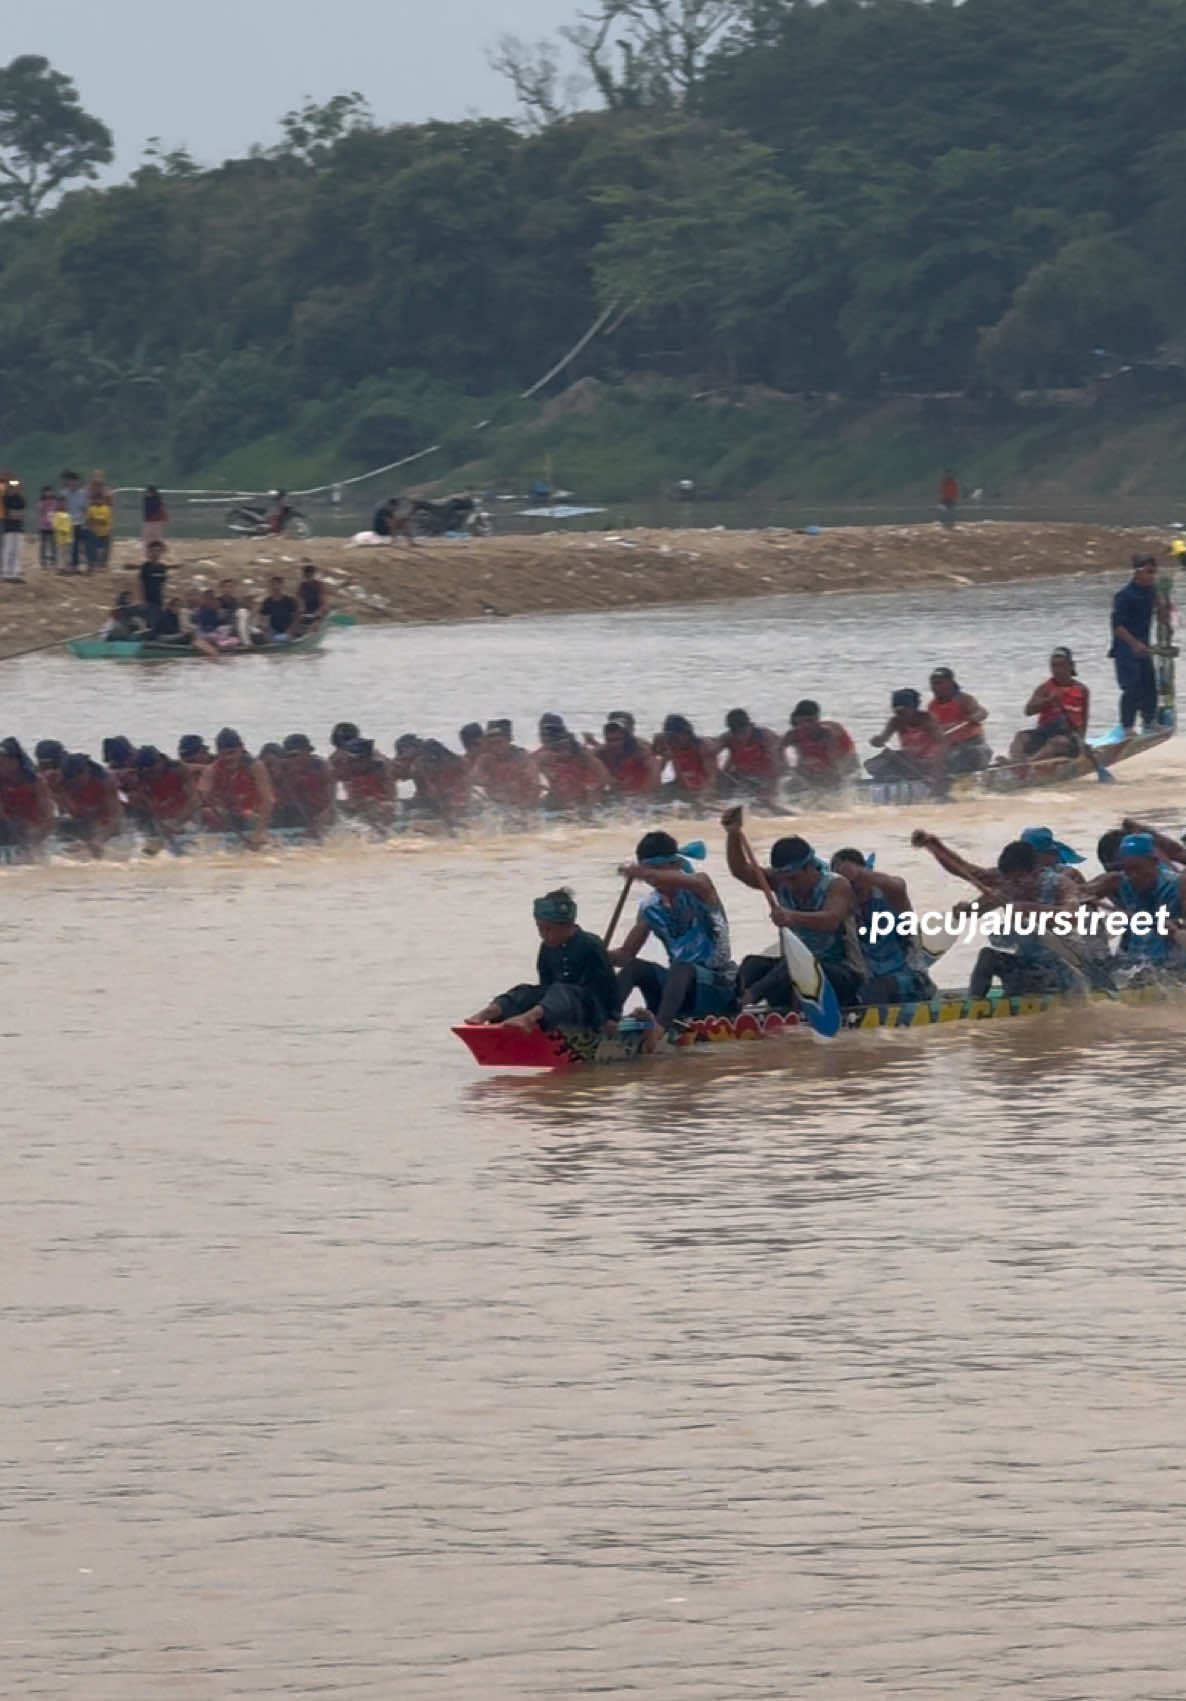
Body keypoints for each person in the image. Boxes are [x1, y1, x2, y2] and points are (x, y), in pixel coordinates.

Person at [610, 831, 737, 1044]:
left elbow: (662, 878)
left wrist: (643, 872)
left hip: (717, 986)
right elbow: (625, 955)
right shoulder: (650, 907)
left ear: (676, 864)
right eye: (651, 873)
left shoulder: (701, 886)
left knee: (681, 967)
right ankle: (608, 1021)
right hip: (679, 989)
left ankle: (658, 1031)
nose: (655, 880)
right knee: (635, 967)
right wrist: (594, 951)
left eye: (659, 871)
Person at [723, 826, 863, 1010]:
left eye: (793, 879)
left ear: (810, 867)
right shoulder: (780, 881)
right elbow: (740, 870)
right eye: (783, 880)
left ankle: (753, 998)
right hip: (793, 971)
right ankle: (733, 1010)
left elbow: (831, 920)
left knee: (800, 967)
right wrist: (733, 833)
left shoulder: (836, 885)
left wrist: (792, 917)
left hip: (841, 974)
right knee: (752, 964)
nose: (788, 885)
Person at [466, 889, 622, 1035]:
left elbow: (609, 986)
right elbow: (545, 984)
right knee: (524, 991)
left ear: (567, 926)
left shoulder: (590, 944)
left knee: (561, 991)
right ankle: (489, 1013)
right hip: (557, 1006)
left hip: (589, 1009)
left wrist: (611, 1019)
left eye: (548, 930)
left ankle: (529, 1018)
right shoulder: (546, 947)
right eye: (539, 929)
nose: (543, 935)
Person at [963, 840, 1084, 997]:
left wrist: (1030, 908)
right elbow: (972, 912)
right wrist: (963, 910)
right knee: (987, 956)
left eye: (1018, 880)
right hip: (1029, 967)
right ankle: (974, 1007)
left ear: (1035, 872)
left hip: (1060, 971)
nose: (1013, 885)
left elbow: (1071, 917)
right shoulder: (1010, 888)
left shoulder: (1061, 885)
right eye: (1009, 880)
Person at [829, 847, 937, 1005]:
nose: (853, 888)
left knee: (878, 988)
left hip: (910, 980)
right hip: (866, 983)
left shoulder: (890, 894)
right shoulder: (840, 909)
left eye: (856, 881)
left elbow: (898, 885)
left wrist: (860, 874)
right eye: (846, 885)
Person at [1084, 832, 1186, 979]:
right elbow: (1080, 893)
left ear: (1155, 862)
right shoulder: (1119, 881)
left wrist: (1177, 928)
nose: (1133, 876)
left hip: (1173, 965)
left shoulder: (1177, 885)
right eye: (1127, 869)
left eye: (1138, 868)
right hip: (1133, 963)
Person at [1109, 555, 1165, 735]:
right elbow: (1117, 626)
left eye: (1154, 572)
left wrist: (1164, 604)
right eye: (1149, 572)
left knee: (1149, 684)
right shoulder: (1124, 596)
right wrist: (1133, 644)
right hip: (1125, 648)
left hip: (1144, 647)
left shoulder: (1151, 591)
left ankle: (1149, 722)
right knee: (1131, 687)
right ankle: (1127, 727)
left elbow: (1161, 613)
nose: (1152, 576)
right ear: (1138, 572)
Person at [198, 728, 276, 849]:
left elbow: (269, 800)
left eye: (232, 753)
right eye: (224, 754)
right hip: (230, 815)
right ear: (218, 753)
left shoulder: (255, 766)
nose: (229, 758)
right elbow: (201, 793)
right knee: (207, 812)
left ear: (241, 749)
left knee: (248, 814)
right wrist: (202, 793)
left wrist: (259, 832)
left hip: (254, 815)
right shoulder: (212, 770)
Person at [1009, 647, 1089, 761]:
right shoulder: (1044, 688)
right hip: (1044, 733)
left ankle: (1029, 763)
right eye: (1054, 666)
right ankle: (1015, 763)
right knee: (1021, 737)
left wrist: (1081, 743)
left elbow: (1084, 720)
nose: (1057, 670)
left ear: (1071, 666)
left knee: (1057, 742)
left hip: (1068, 738)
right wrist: (1047, 701)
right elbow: (1028, 711)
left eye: (1061, 665)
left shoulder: (1082, 690)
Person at [866, 689, 946, 787]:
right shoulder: (895, 721)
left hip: (927, 763)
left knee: (895, 756)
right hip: (908, 762)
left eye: (903, 711)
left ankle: (899, 780)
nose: (900, 715)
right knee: (873, 763)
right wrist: (876, 741)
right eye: (897, 712)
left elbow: (942, 744)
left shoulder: (927, 720)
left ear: (914, 707)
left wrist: (936, 774)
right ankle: (891, 780)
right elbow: (882, 739)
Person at [535, 718, 610, 814]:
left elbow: (603, 778)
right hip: (556, 799)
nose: (561, 752)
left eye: (563, 746)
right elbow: (528, 777)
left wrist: (590, 803)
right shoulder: (541, 756)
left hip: (583, 798)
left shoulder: (583, 755)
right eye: (556, 749)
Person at [56, 753, 125, 856]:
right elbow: (67, 812)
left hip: (107, 821)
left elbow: (115, 817)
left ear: (86, 772)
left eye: (76, 781)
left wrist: (99, 840)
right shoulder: (59, 782)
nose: (75, 786)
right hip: (82, 819)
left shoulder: (106, 781)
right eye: (70, 783)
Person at [781, 700, 859, 791]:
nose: (806, 725)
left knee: (835, 780)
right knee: (790, 784)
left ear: (817, 719)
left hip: (845, 760)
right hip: (817, 765)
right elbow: (781, 756)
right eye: (802, 722)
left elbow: (833, 764)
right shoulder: (792, 735)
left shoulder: (828, 732)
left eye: (809, 721)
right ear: (796, 720)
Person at [926, 667, 991, 773]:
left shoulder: (964, 700)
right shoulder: (932, 706)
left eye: (939, 683)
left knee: (961, 756)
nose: (934, 687)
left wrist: (974, 717)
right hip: (949, 749)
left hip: (973, 746)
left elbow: (982, 712)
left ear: (950, 683)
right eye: (933, 684)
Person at [470, 720, 540, 818]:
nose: (495, 747)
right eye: (491, 743)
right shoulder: (485, 759)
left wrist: (525, 810)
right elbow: (472, 780)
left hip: (523, 810)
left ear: (509, 740)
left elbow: (534, 788)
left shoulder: (523, 758)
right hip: (496, 808)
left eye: (499, 742)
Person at [133, 745, 199, 848]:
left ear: (160, 761)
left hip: (187, 815)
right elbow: (152, 810)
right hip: (163, 820)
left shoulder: (179, 769)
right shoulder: (140, 779)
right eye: (146, 772)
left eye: (152, 770)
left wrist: (177, 821)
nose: (151, 776)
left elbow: (195, 800)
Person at [716, 708, 782, 806]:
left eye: (742, 732)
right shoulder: (727, 738)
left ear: (749, 725)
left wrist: (771, 791)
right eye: (735, 732)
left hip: (764, 778)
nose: (740, 737)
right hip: (740, 778)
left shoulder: (766, 736)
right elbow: (709, 753)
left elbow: (777, 765)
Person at [0, 737, 55, 854]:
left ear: (16, 761)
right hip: (10, 826)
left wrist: (34, 842)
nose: (1, 763)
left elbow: (49, 817)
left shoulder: (36, 782)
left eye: (5, 759)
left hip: (32, 830)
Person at [653, 713, 721, 805]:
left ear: (687, 733)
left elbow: (712, 778)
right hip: (682, 785)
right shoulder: (669, 743)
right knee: (654, 798)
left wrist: (704, 797)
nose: (674, 741)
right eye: (671, 737)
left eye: (676, 737)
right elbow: (656, 769)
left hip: (705, 785)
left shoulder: (703, 745)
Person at [276, 734, 336, 837]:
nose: (293, 759)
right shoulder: (285, 769)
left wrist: (322, 818)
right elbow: (293, 796)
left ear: (307, 752)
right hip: (297, 810)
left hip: (321, 808)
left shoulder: (321, 766)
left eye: (295, 755)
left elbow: (331, 798)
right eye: (289, 756)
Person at [590, 719, 658, 804]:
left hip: (641, 795)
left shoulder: (640, 751)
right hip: (618, 794)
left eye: (617, 739)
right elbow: (586, 759)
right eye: (609, 740)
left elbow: (655, 769)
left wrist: (645, 794)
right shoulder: (602, 752)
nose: (613, 744)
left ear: (626, 739)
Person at [338, 737, 397, 830]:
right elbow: (351, 795)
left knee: (378, 805)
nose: (354, 763)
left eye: (358, 760)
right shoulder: (347, 769)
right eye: (352, 760)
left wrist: (378, 802)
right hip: (359, 807)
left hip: (381, 806)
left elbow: (392, 797)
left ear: (367, 757)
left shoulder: (380, 769)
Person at [60, 471, 88, 572]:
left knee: (77, 545)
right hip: (67, 522)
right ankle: (65, 566)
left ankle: (75, 566)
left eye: (74, 481)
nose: (73, 483)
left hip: (79, 522)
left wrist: (85, 522)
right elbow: (61, 508)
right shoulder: (64, 493)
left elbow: (85, 509)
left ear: (77, 482)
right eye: (71, 481)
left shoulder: (82, 494)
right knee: (67, 546)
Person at [259, 575, 300, 642]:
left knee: (284, 638)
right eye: (272, 584)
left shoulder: (289, 600)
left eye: (276, 584)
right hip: (273, 630)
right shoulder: (267, 601)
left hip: (288, 630)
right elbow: (262, 617)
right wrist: (263, 627)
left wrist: (291, 629)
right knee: (265, 638)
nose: (274, 587)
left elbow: (296, 617)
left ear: (281, 585)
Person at [1, 476, 25, 582]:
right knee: (8, 549)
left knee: (17, 550)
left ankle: (15, 572)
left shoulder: (19, 499)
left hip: (18, 528)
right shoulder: (5, 499)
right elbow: (10, 514)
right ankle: (6, 572)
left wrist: (15, 514)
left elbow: (20, 512)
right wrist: (15, 514)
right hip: (9, 528)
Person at [83, 487, 113, 571]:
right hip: (94, 533)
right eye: (96, 499)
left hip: (104, 533)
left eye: (100, 499)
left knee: (104, 550)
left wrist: (95, 520)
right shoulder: (91, 509)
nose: (98, 501)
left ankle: (103, 564)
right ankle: (92, 564)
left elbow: (106, 521)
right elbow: (88, 520)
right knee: (93, 550)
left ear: (102, 500)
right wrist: (96, 521)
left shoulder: (106, 509)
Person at [297, 563, 330, 629]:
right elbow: (299, 600)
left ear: (313, 575)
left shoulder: (319, 585)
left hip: (318, 611)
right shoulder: (302, 586)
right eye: (306, 575)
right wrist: (301, 609)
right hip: (307, 612)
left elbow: (324, 604)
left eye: (310, 575)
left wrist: (318, 611)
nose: (308, 577)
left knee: (315, 624)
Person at [37, 486, 57, 568]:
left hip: (53, 526)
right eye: (46, 492)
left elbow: (56, 511)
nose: (48, 493)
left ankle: (53, 560)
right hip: (43, 526)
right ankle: (43, 560)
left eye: (49, 491)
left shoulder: (55, 502)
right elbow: (40, 511)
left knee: (53, 544)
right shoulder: (41, 502)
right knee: (43, 544)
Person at [51, 496, 73, 568]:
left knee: (67, 554)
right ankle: (60, 568)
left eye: (64, 503)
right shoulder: (56, 515)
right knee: (60, 553)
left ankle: (66, 567)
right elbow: (55, 526)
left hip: (68, 539)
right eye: (61, 504)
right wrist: (62, 530)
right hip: (60, 538)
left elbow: (70, 527)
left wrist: (70, 536)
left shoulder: (68, 515)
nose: (63, 505)